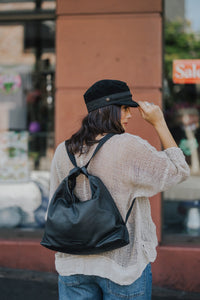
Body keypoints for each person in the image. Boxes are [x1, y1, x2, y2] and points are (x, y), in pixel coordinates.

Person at [48, 79, 190, 300]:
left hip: (73, 264)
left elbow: (54, 204)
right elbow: (179, 170)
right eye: (124, 108)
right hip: (122, 266)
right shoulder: (128, 146)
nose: (130, 115)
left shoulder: (63, 150)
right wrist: (160, 123)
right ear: (109, 111)